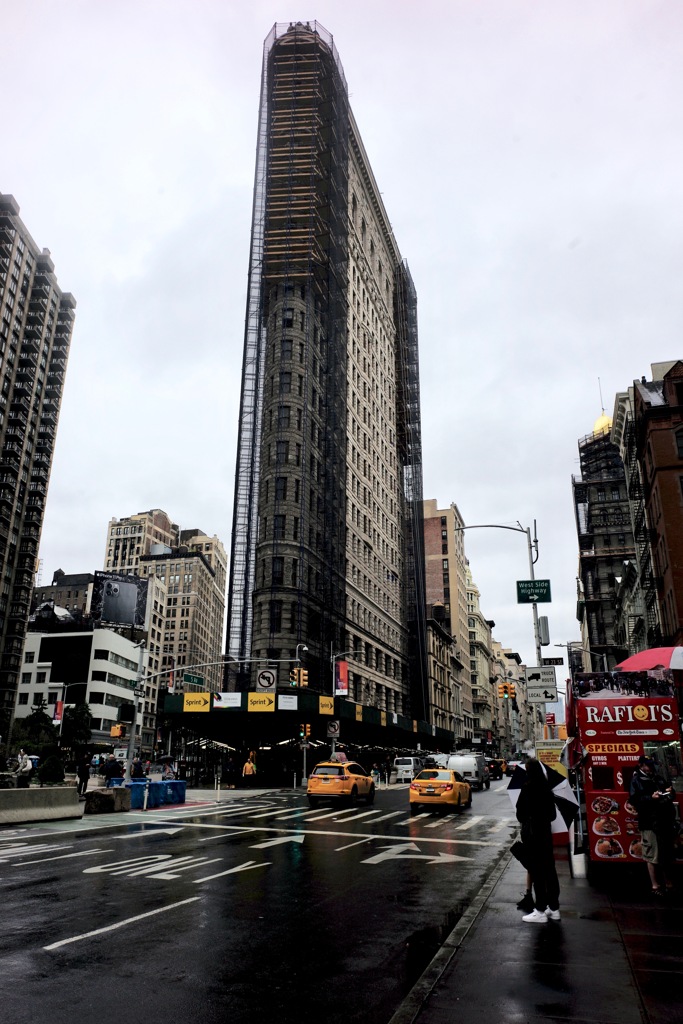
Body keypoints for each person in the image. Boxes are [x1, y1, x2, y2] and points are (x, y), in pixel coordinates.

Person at [515, 758, 561, 923]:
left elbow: (520, 813)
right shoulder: (547, 788)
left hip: (533, 835)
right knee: (550, 870)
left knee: (537, 871)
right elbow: (553, 815)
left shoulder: (528, 788)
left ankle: (540, 910)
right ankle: (554, 908)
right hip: (545, 835)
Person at [629, 755, 677, 895]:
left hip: (664, 821)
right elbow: (634, 799)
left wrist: (670, 792)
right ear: (641, 766)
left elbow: (669, 792)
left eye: (651, 765)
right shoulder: (636, 780)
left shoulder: (657, 778)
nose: (650, 768)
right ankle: (655, 885)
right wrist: (651, 797)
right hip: (649, 822)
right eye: (648, 765)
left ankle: (667, 882)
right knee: (652, 854)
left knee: (666, 853)